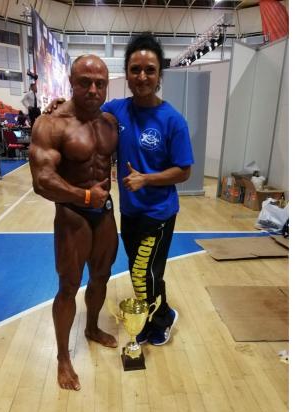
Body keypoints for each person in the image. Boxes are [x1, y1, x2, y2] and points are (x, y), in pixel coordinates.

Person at [45, 33, 193, 346]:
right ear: (126, 74)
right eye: (135, 69)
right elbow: (84, 107)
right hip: (128, 212)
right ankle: (160, 312)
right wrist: (61, 104)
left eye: (150, 70)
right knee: (145, 272)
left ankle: (161, 319)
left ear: (159, 75)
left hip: (158, 213)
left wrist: (146, 179)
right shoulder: (116, 110)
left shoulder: (173, 120)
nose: (142, 76)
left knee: (143, 272)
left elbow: (184, 171)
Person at [29, 55, 119, 391]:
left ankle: (92, 327)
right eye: (85, 82)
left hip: (104, 213)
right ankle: (63, 358)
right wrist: (83, 196)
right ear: (71, 82)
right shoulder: (51, 124)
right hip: (72, 215)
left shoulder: (111, 120)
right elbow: (42, 180)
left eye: (100, 83)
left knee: (102, 276)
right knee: (68, 287)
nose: (93, 89)